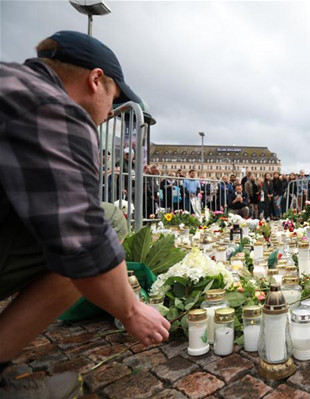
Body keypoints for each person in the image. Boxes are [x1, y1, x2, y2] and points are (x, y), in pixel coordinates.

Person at [0, 31, 169, 397]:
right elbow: (83, 236)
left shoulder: (13, 83)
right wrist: (131, 311)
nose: (111, 112)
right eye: (114, 98)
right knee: (105, 221)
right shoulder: (56, 108)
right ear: (95, 80)